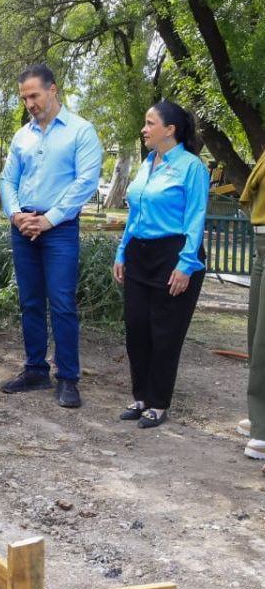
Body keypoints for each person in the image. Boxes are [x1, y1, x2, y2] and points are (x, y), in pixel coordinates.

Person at [0, 64, 103, 407]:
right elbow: (7, 180)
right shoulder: (22, 136)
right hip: (24, 226)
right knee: (29, 301)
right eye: (25, 97)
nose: (30, 103)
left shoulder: (81, 131)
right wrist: (15, 214)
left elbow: (85, 182)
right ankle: (35, 370)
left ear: (53, 90)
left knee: (61, 303)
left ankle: (68, 378)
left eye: (34, 95)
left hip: (59, 230)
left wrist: (50, 220)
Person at [112, 101, 208, 428]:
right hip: (139, 253)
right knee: (136, 327)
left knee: (164, 332)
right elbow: (135, 213)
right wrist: (122, 251)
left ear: (170, 129)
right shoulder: (148, 162)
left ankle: (158, 402)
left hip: (174, 254)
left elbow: (196, 217)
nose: (144, 129)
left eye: (150, 123)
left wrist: (187, 263)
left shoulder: (192, 167)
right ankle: (140, 397)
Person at [239, 148, 265, 470]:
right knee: (254, 331)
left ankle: (262, 429)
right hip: (260, 244)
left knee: (264, 340)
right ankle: (260, 414)